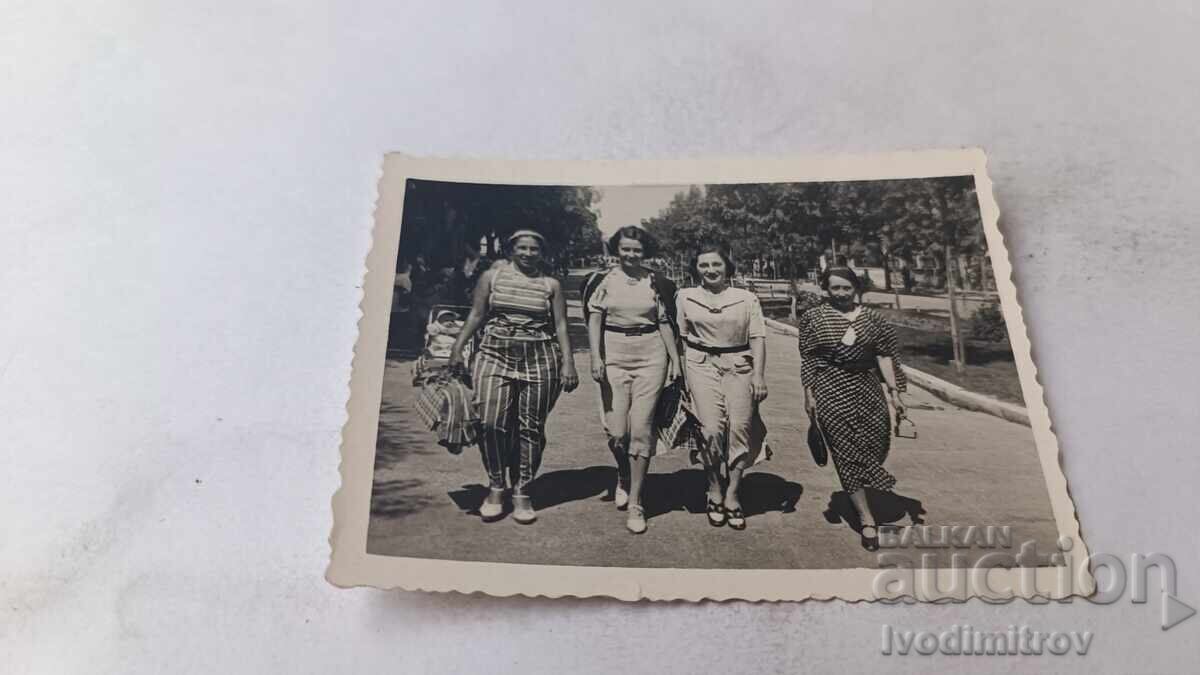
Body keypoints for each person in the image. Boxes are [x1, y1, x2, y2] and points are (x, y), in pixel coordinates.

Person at [447, 229, 580, 524]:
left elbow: (560, 325)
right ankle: (496, 486)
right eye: (522, 248)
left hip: (540, 357)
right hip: (494, 353)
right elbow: (476, 315)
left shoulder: (551, 285)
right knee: (491, 422)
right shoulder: (491, 278)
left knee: (530, 427)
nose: (528, 253)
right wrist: (457, 349)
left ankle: (522, 489)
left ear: (541, 253)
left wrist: (568, 363)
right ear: (511, 250)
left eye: (534, 249)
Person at [797, 267, 908, 550]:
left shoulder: (874, 319)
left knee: (877, 443)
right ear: (826, 289)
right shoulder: (813, 317)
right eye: (835, 288)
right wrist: (809, 395)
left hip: (868, 387)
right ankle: (866, 518)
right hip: (830, 387)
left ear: (856, 288)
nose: (842, 294)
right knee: (845, 452)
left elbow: (885, 356)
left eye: (847, 288)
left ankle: (862, 480)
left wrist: (895, 394)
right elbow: (809, 358)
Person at [584, 225, 680, 534]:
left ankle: (637, 501)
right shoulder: (604, 281)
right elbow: (595, 318)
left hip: (651, 355)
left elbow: (664, 321)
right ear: (617, 250)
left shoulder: (656, 282)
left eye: (636, 249)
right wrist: (595, 358)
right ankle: (623, 473)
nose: (631, 254)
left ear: (644, 251)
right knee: (617, 431)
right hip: (614, 355)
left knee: (641, 430)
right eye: (625, 248)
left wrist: (675, 360)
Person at [676, 244, 768, 530]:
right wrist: (681, 376)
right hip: (700, 365)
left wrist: (759, 376)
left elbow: (758, 338)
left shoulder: (746, 298)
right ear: (696, 269)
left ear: (727, 267)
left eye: (716, 265)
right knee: (711, 429)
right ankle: (714, 488)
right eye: (703, 266)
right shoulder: (685, 296)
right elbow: (680, 338)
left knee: (741, 428)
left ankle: (733, 493)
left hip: (739, 365)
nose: (710, 270)